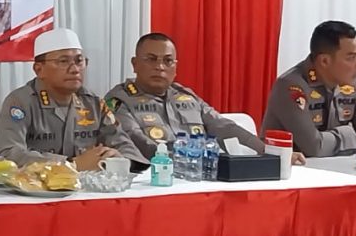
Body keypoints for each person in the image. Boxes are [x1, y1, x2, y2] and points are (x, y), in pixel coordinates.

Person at [106, 33, 293, 162]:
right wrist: (191, 160)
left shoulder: (186, 97)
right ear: (135, 64)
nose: (160, 67)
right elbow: (139, 144)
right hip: (156, 180)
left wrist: (268, 151)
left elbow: (224, 127)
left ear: (175, 67)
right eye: (151, 59)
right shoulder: (119, 101)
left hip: (202, 177)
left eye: (168, 61)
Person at [0, 29, 146, 170]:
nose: (74, 69)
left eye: (79, 61)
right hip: (37, 187)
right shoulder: (21, 102)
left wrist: (119, 159)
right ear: (39, 69)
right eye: (63, 61)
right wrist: (70, 164)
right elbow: (7, 153)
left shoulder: (93, 103)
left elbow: (126, 147)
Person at [263, 20, 356, 157]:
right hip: (293, 167)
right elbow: (314, 148)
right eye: (351, 58)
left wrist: (331, 142)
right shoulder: (291, 86)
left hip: (337, 165)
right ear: (324, 61)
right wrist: (348, 133)